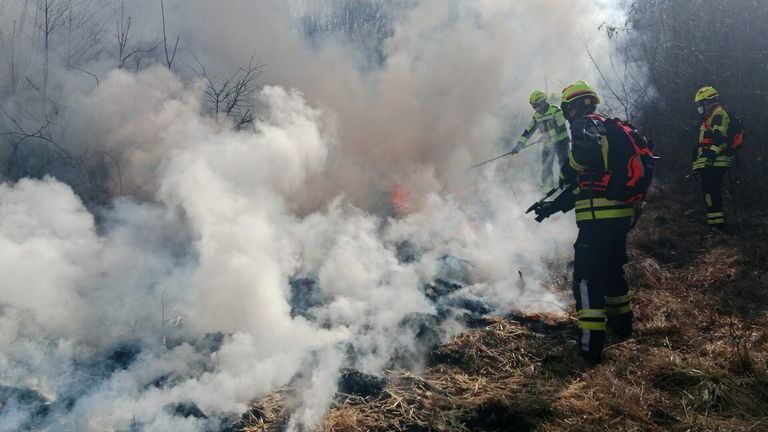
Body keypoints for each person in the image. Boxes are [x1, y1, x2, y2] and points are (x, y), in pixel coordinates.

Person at [536, 81, 634, 364]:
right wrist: (553, 206)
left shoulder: (585, 124)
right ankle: (623, 325)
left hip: (597, 218)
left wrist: (567, 170)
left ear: (575, 105)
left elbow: (582, 160)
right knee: (613, 270)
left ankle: (590, 347)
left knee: (586, 279)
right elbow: (590, 185)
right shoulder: (607, 126)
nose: (567, 115)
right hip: (618, 214)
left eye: (567, 108)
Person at [692, 86, 733, 230]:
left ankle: (717, 227)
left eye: (700, 103)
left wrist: (710, 155)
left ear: (708, 101)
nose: (699, 107)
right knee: (709, 193)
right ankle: (715, 226)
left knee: (711, 193)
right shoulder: (710, 116)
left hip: (715, 162)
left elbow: (721, 139)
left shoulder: (718, 113)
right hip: (709, 163)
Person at [510, 90, 570, 188]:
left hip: (561, 142)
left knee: (564, 163)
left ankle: (568, 184)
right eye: (533, 107)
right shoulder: (536, 116)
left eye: (536, 106)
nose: (535, 109)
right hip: (548, 144)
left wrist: (546, 136)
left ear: (542, 102)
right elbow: (528, 131)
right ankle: (547, 188)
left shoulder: (556, 111)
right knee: (546, 166)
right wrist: (519, 145)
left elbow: (560, 128)